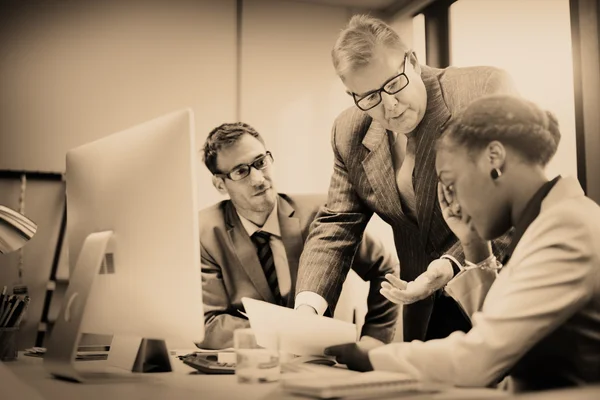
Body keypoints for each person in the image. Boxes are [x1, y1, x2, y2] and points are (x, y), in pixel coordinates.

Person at [324, 94, 600, 391]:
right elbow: (501, 332)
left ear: (494, 158)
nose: (452, 205)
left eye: (451, 183)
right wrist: (473, 244)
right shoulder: (550, 221)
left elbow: (480, 361)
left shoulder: (566, 227)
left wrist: (374, 355)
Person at [295, 14, 519, 342]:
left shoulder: (480, 92)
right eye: (369, 97)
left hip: (505, 289)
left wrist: (449, 265)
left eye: (393, 83)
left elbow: (511, 199)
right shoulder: (348, 132)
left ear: (412, 61)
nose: (390, 105)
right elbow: (337, 223)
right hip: (423, 306)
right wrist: (307, 309)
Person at [196, 122, 400, 349]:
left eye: (260, 163)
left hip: (321, 362)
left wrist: (375, 338)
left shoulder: (323, 215)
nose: (258, 179)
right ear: (220, 184)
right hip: (250, 365)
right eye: (241, 171)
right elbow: (208, 325)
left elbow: (386, 269)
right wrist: (287, 332)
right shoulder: (205, 233)